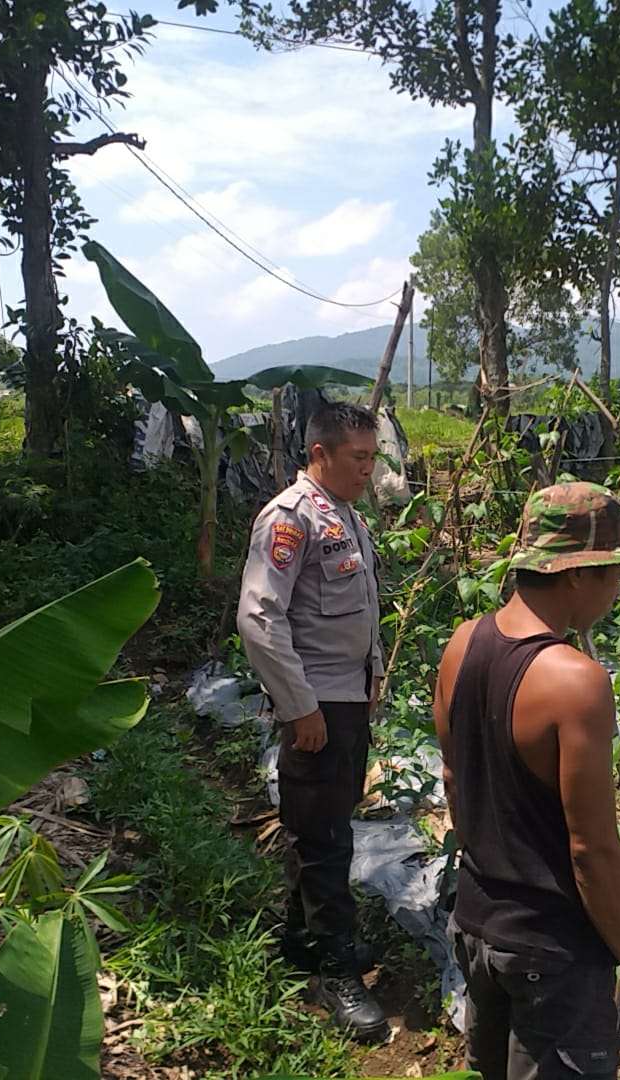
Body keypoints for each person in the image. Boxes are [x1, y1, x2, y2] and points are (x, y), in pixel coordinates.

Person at [433, 482, 620, 1080]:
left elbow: (454, 781)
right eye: (615, 572)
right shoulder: (575, 681)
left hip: (477, 923)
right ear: (576, 574)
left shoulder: (462, 643)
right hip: (551, 950)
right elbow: (591, 851)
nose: (619, 590)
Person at [236, 401, 388, 1041]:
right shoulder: (291, 519)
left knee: (320, 827)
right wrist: (301, 707)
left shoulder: (344, 514)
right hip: (318, 704)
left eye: (372, 457)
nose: (370, 471)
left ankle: (298, 936)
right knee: (327, 843)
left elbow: (361, 606)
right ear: (320, 453)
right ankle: (335, 971)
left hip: (346, 698)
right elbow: (259, 618)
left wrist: (372, 674)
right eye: (360, 459)